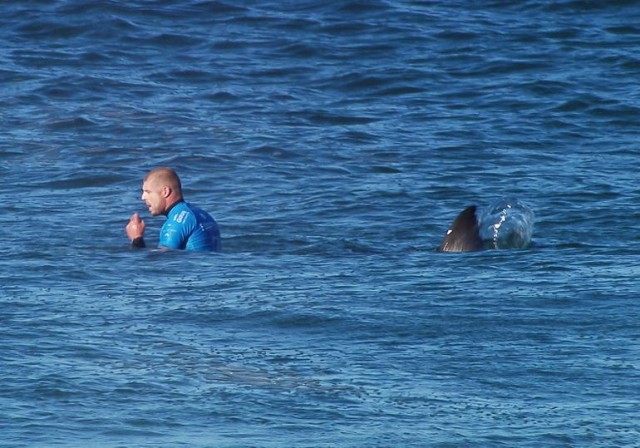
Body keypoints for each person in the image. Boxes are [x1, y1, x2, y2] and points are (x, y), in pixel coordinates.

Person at [125, 167, 221, 251]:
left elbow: (161, 263)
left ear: (165, 192)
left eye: (148, 192)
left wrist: (137, 238)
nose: (143, 197)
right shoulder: (201, 214)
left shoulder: (176, 222)